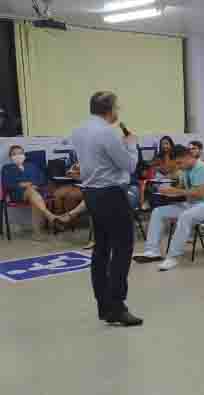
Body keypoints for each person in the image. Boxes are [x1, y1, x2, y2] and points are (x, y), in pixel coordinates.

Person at [71, 91, 142, 326]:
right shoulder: (106, 133)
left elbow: (100, 159)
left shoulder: (79, 130)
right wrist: (132, 145)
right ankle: (117, 306)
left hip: (91, 193)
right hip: (111, 194)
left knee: (101, 249)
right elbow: (129, 166)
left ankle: (104, 306)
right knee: (122, 249)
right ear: (109, 110)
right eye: (116, 108)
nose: (117, 112)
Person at [133, 145, 204, 271]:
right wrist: (168, 191)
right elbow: (183, 188)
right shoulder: (186, 169)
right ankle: (152, 251)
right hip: (193, 205)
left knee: (186, 216)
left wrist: (175, 191)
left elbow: (200, 193)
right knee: (158, 212)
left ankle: (173, 257)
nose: (178, 166)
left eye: (179, 163)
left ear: (187, 157)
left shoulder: (202, 168)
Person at [1, 144, 58, 238]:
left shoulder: (31, 166)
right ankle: (50, 216)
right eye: (14, 154)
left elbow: (42, 179)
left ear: (24, 155)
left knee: (34, 197)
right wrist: (20, 185)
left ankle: (37, 233)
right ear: (11, 157)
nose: (18, 156)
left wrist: (33, 184)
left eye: (20, 153)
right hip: (18, 194)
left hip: (35, 193)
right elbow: (6, 183)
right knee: (32, 193)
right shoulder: (7, 168)